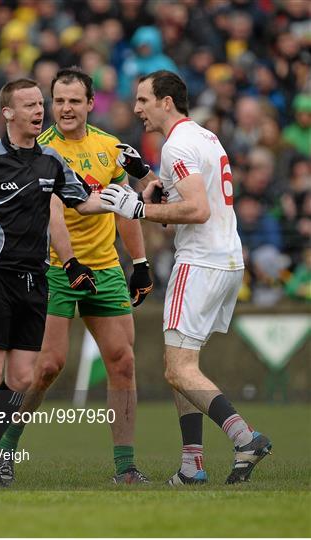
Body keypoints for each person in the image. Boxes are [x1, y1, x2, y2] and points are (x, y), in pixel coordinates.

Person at [100, 70, 272, 485]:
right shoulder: (205, 137)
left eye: (143, 100)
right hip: (226, 258)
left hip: (200, 263)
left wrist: (136, 210)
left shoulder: (176, 144)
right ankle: (192, 465)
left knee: (178, 371)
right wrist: (155, 197)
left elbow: (197, 210)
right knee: (183, 363)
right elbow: (191, 206)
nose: (137, 108)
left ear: (166, 102)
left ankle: (244, 437)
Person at [0, 77, 105, 489]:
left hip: (36, 281)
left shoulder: (51, 160)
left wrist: (135, 199)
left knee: (20, 379)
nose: (39, 111)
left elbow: (83, 200)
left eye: (40, 104)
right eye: (30, 105)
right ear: (8, 113)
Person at [0, 68, 153, 484]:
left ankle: (126, 468)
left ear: (89, 104)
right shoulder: (40, 150)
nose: (65, 108)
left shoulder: (109, 148)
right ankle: (3, 450)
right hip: (52, 268)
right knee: (48, 366)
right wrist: (68, 263)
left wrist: (139, 264)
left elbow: (128, 206)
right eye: (58, 101)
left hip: (105, 268)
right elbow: (52, 218)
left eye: (73, 101)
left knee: (123, 361)